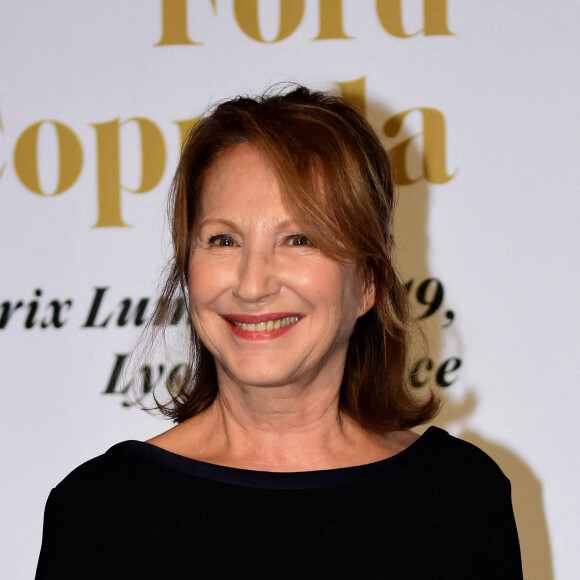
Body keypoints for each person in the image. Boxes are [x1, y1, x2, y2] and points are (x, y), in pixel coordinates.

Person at [36, 86, 523, 579]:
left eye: (299, 239)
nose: (252, 285)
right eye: (223, 240)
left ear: (369, 282)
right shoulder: (99, 512)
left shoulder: (462, 499)